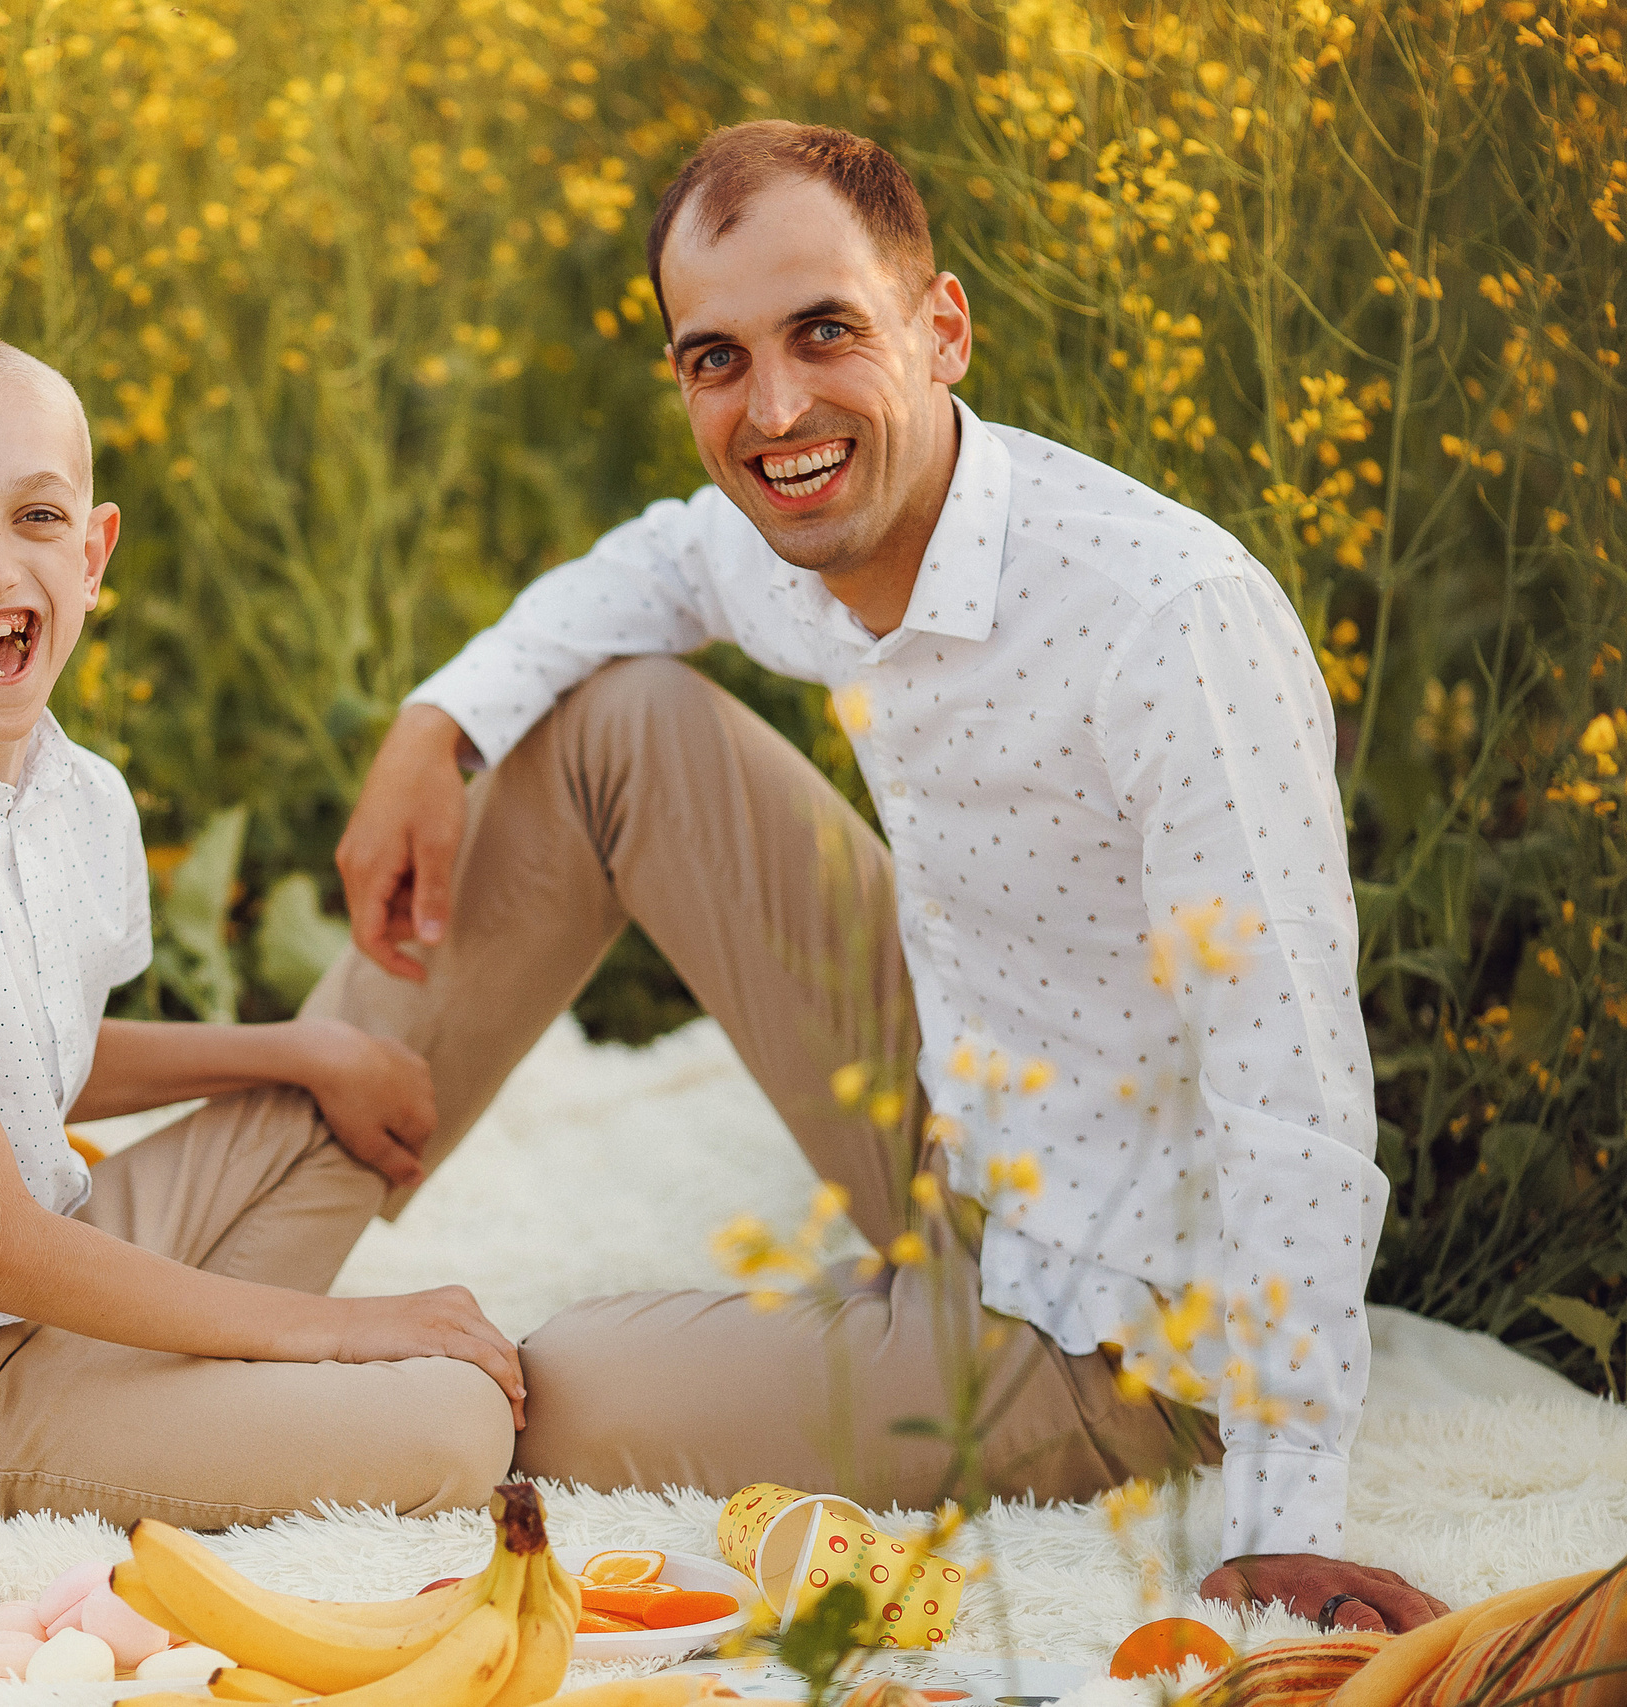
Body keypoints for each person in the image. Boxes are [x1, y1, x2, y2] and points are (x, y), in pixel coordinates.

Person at [326, 121, 1440, 1630]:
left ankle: (289, 1385)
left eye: (826, 331)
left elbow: (1288, 1072)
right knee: (618, 712)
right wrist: (435, 722)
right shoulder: (807, 530)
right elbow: (660, 561)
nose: (774, 407)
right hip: (961, 1095)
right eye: (716, 359)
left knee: (552, 1386)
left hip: (1106, 1313)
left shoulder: (1166, 621)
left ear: (944, 330)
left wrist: (1286, 1500)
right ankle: (172, 1281)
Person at [0, 329, 520, 1530]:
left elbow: (41, 1064)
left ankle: (172, 1379)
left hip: (31, 1299)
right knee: (450, 1424)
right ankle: (192, 1390)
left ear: (93, 552)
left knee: (322, 1113)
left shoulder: (78, 796)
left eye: (32, 517)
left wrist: (299, 1048)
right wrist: (348, 1334)